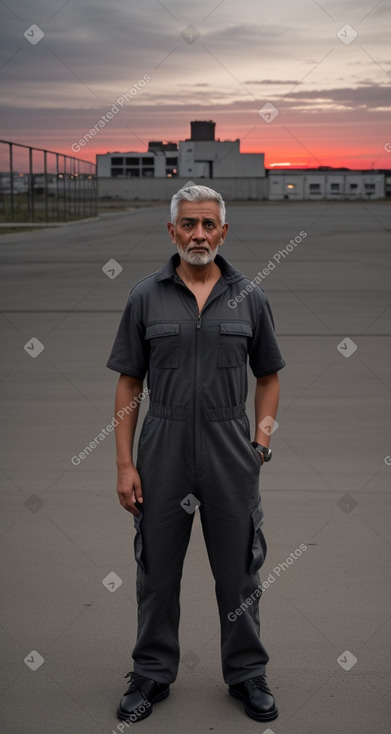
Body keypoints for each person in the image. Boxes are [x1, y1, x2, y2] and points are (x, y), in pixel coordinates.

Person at [106, 185, 285, 723]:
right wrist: (123, 463)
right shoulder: (145, 296)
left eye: (208, 224)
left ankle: (247, 673)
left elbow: (269, 377)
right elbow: (128, 382)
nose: (199, 234)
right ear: (172, 231)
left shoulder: (249, 296)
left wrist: (261, 443)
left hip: (232, 451)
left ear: (223, 232)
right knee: (157, 571)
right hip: (162, 449)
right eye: (188, 224)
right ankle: (151, 674)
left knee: (240, 573)